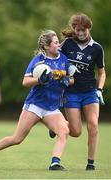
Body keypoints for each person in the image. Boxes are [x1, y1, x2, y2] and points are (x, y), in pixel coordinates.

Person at [0, 30, 74, 170]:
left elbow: (71, 79)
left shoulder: (63, 59)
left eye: (58, 42)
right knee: (17, 139)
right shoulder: (38, 60)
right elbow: (25, 81)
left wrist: (67, 80)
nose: (59, 44)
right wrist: (39, 80)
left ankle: (55, 163)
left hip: (52, 107)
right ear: (47, 46)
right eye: (56, 42)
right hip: (35, 105)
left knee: (64, 132)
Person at [49, 13, 106, 170]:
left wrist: (99, 89)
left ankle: (90, 164)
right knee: (75, 132)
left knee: (93, 125)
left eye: (83, 30)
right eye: (77, 30)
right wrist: (65, 71)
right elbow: (55, 60)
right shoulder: (67, 44)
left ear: (88, 28)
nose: (80, 33)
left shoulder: (97, 48)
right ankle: (56, 126)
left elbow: (102, 72)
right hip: (71, 92)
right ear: (74, 29)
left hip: (90, 92)